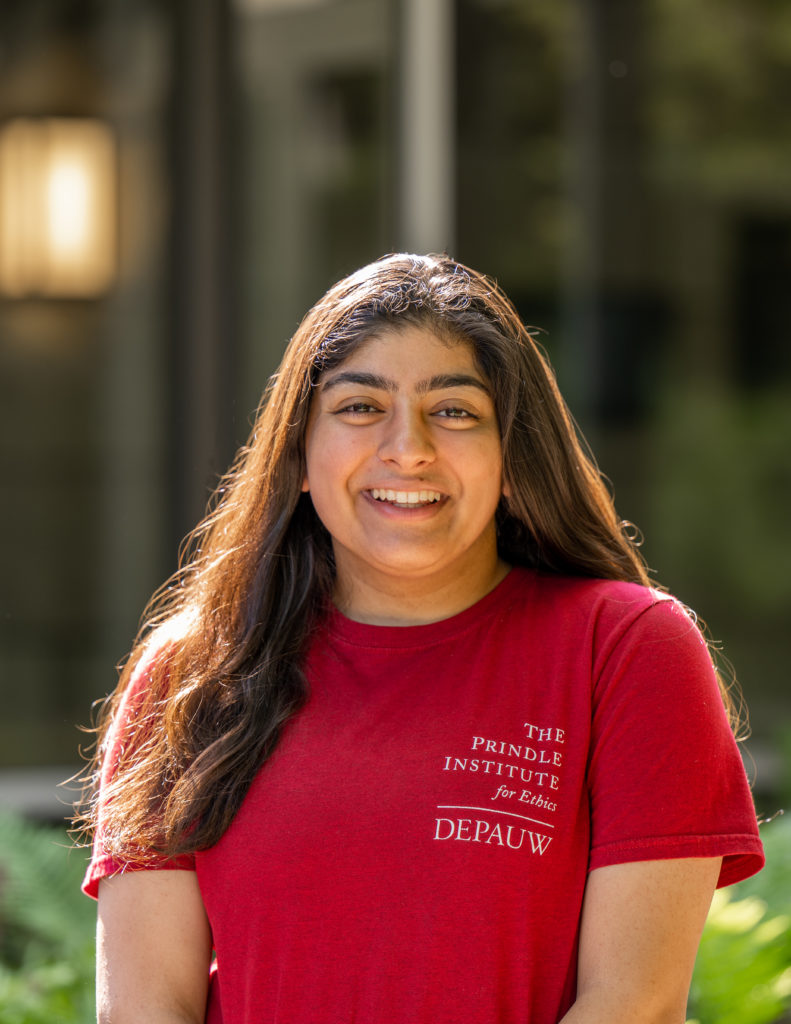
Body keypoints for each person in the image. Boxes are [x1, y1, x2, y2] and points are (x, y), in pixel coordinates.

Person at [80, 253, 764, 1024]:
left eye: (454, 412)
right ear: (299, 457)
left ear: (512, 460)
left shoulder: (626, 649)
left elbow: (632, 1004)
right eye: (359, 407)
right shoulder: (190, 674)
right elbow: (145, 1009)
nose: (407, 448)